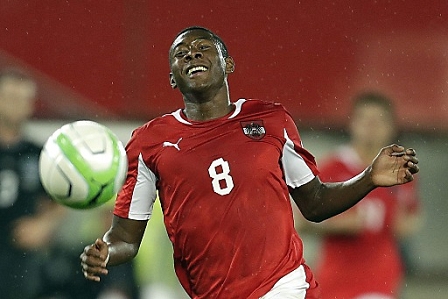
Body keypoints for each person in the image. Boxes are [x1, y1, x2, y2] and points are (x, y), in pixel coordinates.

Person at [80, 26, 419, 299]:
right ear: (172, 77)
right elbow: (125, 237)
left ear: (227, 64)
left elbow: (314, 202)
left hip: (283, 285)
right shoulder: (148, 142)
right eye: (181, 54)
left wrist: (368, 178)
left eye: (203, 48)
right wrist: (105, 252)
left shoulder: (271, 120)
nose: (192, 54)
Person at [296, 91, 422, 299]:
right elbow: (301, 221)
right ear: (352, 124)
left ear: (391, 126)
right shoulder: (331, 168)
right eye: (365, 120)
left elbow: (412, 215)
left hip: (381, 282)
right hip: (337, 282)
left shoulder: (402, 169)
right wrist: (338, 224)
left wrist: (405, 224)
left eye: (378, 120)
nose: (371, 127)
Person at [0, 68, 66, 299]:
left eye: (24, 99)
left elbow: (61, 198)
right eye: (11, 98)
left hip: (21, 262)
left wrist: (44, 225)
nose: (17, 105)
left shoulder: (41, 155)